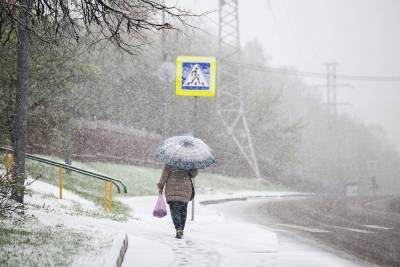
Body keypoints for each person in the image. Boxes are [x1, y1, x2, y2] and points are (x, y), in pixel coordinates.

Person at [157, 164, 198, 239]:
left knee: (174, 211)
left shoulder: (170, 162)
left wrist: (161, 186)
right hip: (185, 188)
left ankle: (178, 228)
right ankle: (181, 228)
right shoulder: (188, 161)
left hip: (172, 189)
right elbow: (193, 174)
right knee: (183, 210)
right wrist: (193, 167)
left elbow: (164, 175)